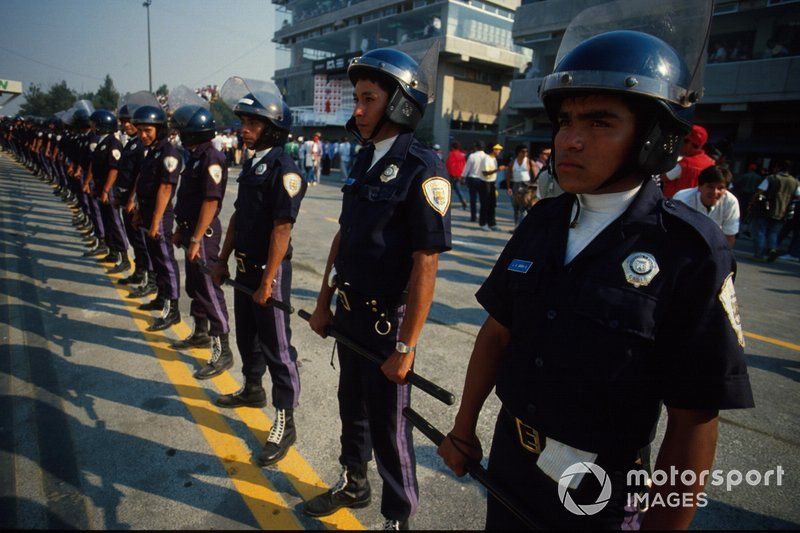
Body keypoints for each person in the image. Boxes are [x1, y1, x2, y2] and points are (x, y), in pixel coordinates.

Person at [437, 8, 754, 530]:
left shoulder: (691, 250)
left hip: (600, 489)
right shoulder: (542, 220)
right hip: (511, 463)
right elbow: (497, 333)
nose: (570, 139)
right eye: (565, 121)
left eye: (599, 121)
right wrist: (465, 427)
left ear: (653, 138)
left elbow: (694, 418)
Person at [304, 44, 451, 530]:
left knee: (390, 428)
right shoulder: (366, 158)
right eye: (357, 98)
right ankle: (354, 482)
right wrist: (323, 302)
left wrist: (407, 346)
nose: (358, 109)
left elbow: (425, 264)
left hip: (389, 326)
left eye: (368, 98)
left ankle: (398, 517)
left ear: (400, 103)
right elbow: (344, 237)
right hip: (349, 314)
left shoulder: (423, 167)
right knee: (352, 408)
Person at [212, 77, 306, 467]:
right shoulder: (253, 166)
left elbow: (282, 230)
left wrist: (268, 282)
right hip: (244, 269)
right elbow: (237, 217)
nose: (243, 129)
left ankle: (285, 418)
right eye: (243, 122)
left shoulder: (285, 170)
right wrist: (221, 258)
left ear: (271, 127)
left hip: (269, 274)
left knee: (278, 349)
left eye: (251, 123)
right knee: (248, 335)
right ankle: (252, 389)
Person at [167, 100, 233, 378]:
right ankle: (201, 333)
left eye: (182, 129)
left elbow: (210, 201)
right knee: (195, 285)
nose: (179, 134)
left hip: (203, 234)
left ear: (193, 131)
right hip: (192, 231)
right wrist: (182, 229)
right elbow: (189, 198)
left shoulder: (211, 157)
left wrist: (195, 239)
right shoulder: (195, 155)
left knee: (208, 289)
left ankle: (223, 350)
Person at [128, 105, 183, 331]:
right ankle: (161, 298)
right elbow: (145, 186)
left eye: (147, 130)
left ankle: (173, 311)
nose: (143, 135)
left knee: (166, 262)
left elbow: (165, 189)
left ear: (159, 129)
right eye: (140, 130)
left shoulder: (169, 153)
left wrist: (155, 222)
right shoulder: (152, 151)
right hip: (149, 213)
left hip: (159, 215)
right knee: (157, 261)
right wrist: (140, 213)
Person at [115, 96, 155, 295]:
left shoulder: (140, 146)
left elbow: (140, 176)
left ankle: (149, 278)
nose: (127, 125)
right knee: (135, 240)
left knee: (142, 242)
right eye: (123, 122)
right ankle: (139, 271)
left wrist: (132, 199)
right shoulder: (132, 143)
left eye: (130, 121)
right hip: (125, 200)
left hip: (135, 202)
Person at [86, 109, 129, 270]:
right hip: (101, 187)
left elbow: (114, 168)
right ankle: (112, 251)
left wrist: (106, 190)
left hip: (109, 189)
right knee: (107, 220)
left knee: (115, 222)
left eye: (95, 124)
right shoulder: (102, 141)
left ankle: (123, 256)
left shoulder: (113, 143)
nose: (93, 126)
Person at [674, 165, 740, 248]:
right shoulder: (682, 198)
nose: (715, 192)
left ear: (726, 189)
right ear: (700, 187)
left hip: (714, 246)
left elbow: (729, 237)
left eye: (720, 188)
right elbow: (674, 230)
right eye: (710, 187)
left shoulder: (731, 202)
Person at [749, 160, 800, 262]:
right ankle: (772, 249)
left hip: (764, 210)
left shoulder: (771, 178)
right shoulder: (795, 182)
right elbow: (797, 196)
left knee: (760, 231)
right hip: (782, 211)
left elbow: (759, 192)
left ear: (777, 168)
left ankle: (759, 254)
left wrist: (751, 204)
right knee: (774, 232)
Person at [661, 124, 715, 199]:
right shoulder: (711, 163)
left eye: (695, 145)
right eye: (685, 141)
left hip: (675, 205)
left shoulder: (684, 164)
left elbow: (662, 177)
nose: (687, 146)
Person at [478, 143, 506, 231]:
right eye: (498, 149)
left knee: (492, 204)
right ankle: (483, 223)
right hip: (485, 183)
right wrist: (498, 170)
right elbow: (485, 173)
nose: (499, 151)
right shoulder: (486, 158)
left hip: (492, 183)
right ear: (493, 150)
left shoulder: (494, 159)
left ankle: (492, 223)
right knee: (485, 204)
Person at [507, 145, 533, 226]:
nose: (525, 153)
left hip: (526, 184)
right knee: (515, 206)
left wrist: (533, 187)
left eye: (526, 151)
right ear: (518, 152)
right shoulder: (513, 162)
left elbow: (534, 174)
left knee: (524, 206)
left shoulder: (528, 161)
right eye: (523, 151)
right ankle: (516, 225)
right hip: (516, 185)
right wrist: (508, 187)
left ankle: (521, 226)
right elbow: (508, 175)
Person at [462, 142, 485, 222]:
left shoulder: (472, 156)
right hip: (483, 180)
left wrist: (463, 176)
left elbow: (467, 168)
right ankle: (482, 216)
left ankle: (473, 217)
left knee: (473, 199)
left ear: (476, 147)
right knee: (482, 199)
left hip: (472, 179)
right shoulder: (486, 157)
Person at [445, 140, 468, 210]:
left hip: (452, 175)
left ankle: (447, 203)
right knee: (458, 189)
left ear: (452, 147)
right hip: (459, 175)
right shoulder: (462, 155)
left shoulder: (451, 154)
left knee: (448, 189)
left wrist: (448, 173)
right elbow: (464, 165)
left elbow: (449, 164)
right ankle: (463, 200)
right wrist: (462, 175)